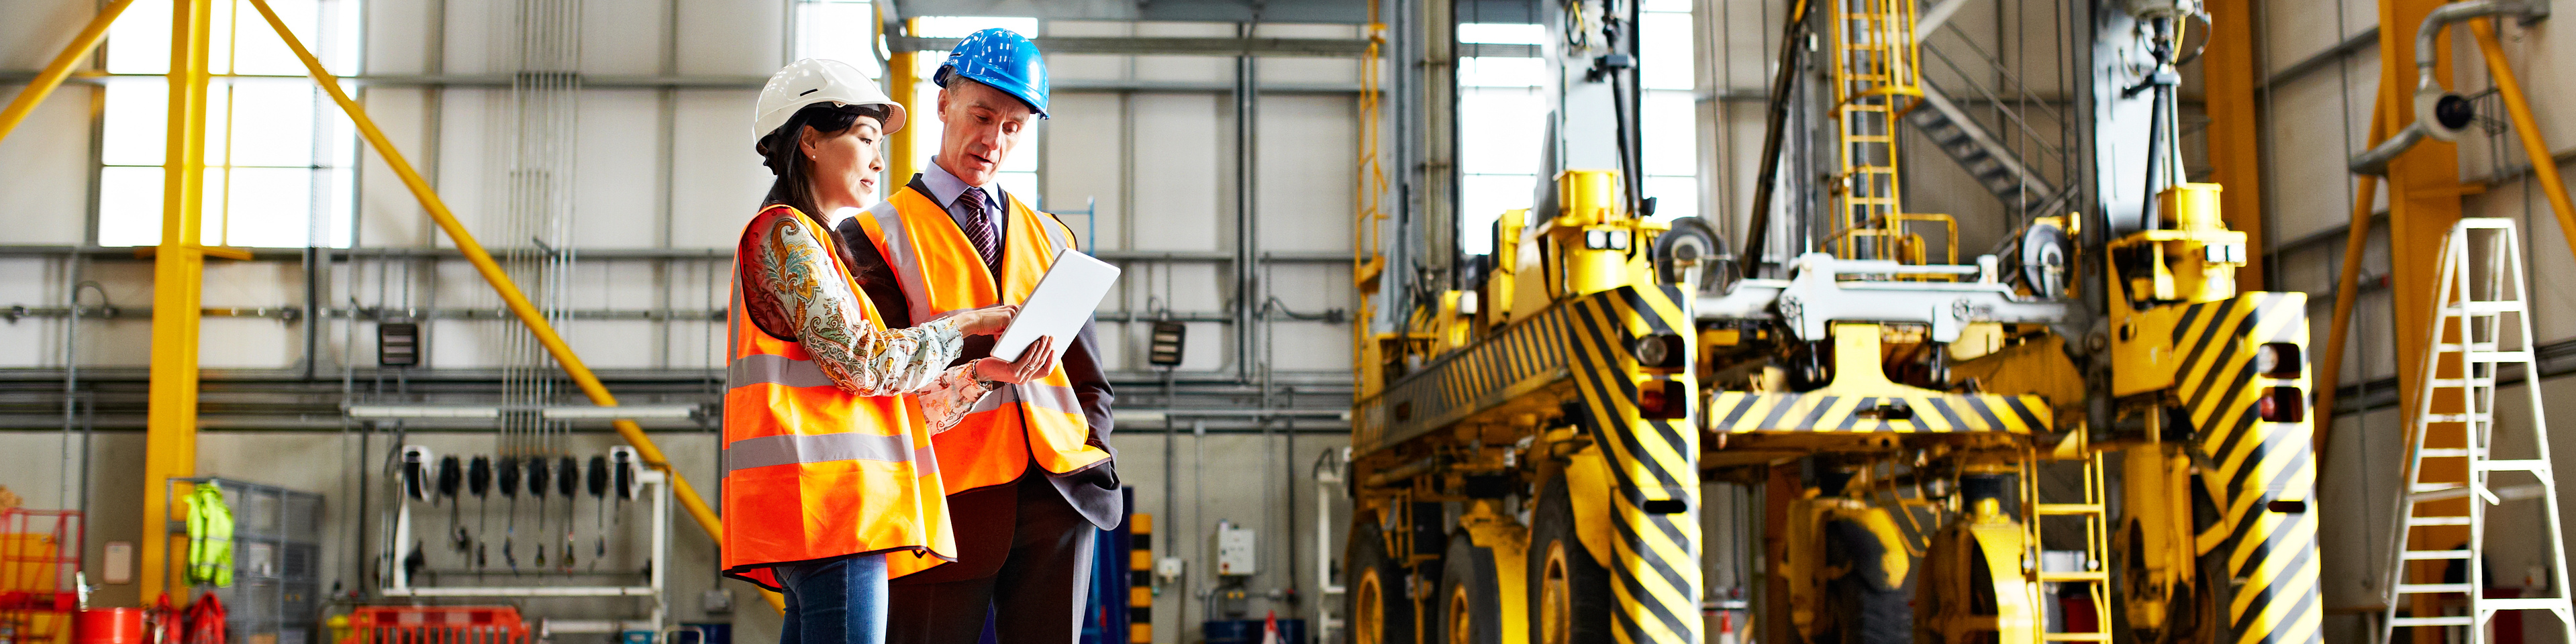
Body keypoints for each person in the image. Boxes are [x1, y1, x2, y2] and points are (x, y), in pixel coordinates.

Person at [720, 58, 1059, 644]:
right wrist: (969, 322)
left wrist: (980, 373)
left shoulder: (820, 252)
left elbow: (888, 410)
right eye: (865, 137)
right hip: (835, 514)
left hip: (832, 517)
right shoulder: (785, 233)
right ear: (810, 141)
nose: (880, 159)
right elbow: (869, 364)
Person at [832, 28, 1120, 644]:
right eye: (982, 115)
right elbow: (872, 381)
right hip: (942, 499)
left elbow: (1089, 377)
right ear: (943, 105)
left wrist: (1095, 446)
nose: (993, 139)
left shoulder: (1053, 237)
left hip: (1058, 496)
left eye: (1014, 126)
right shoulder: (871, 236)